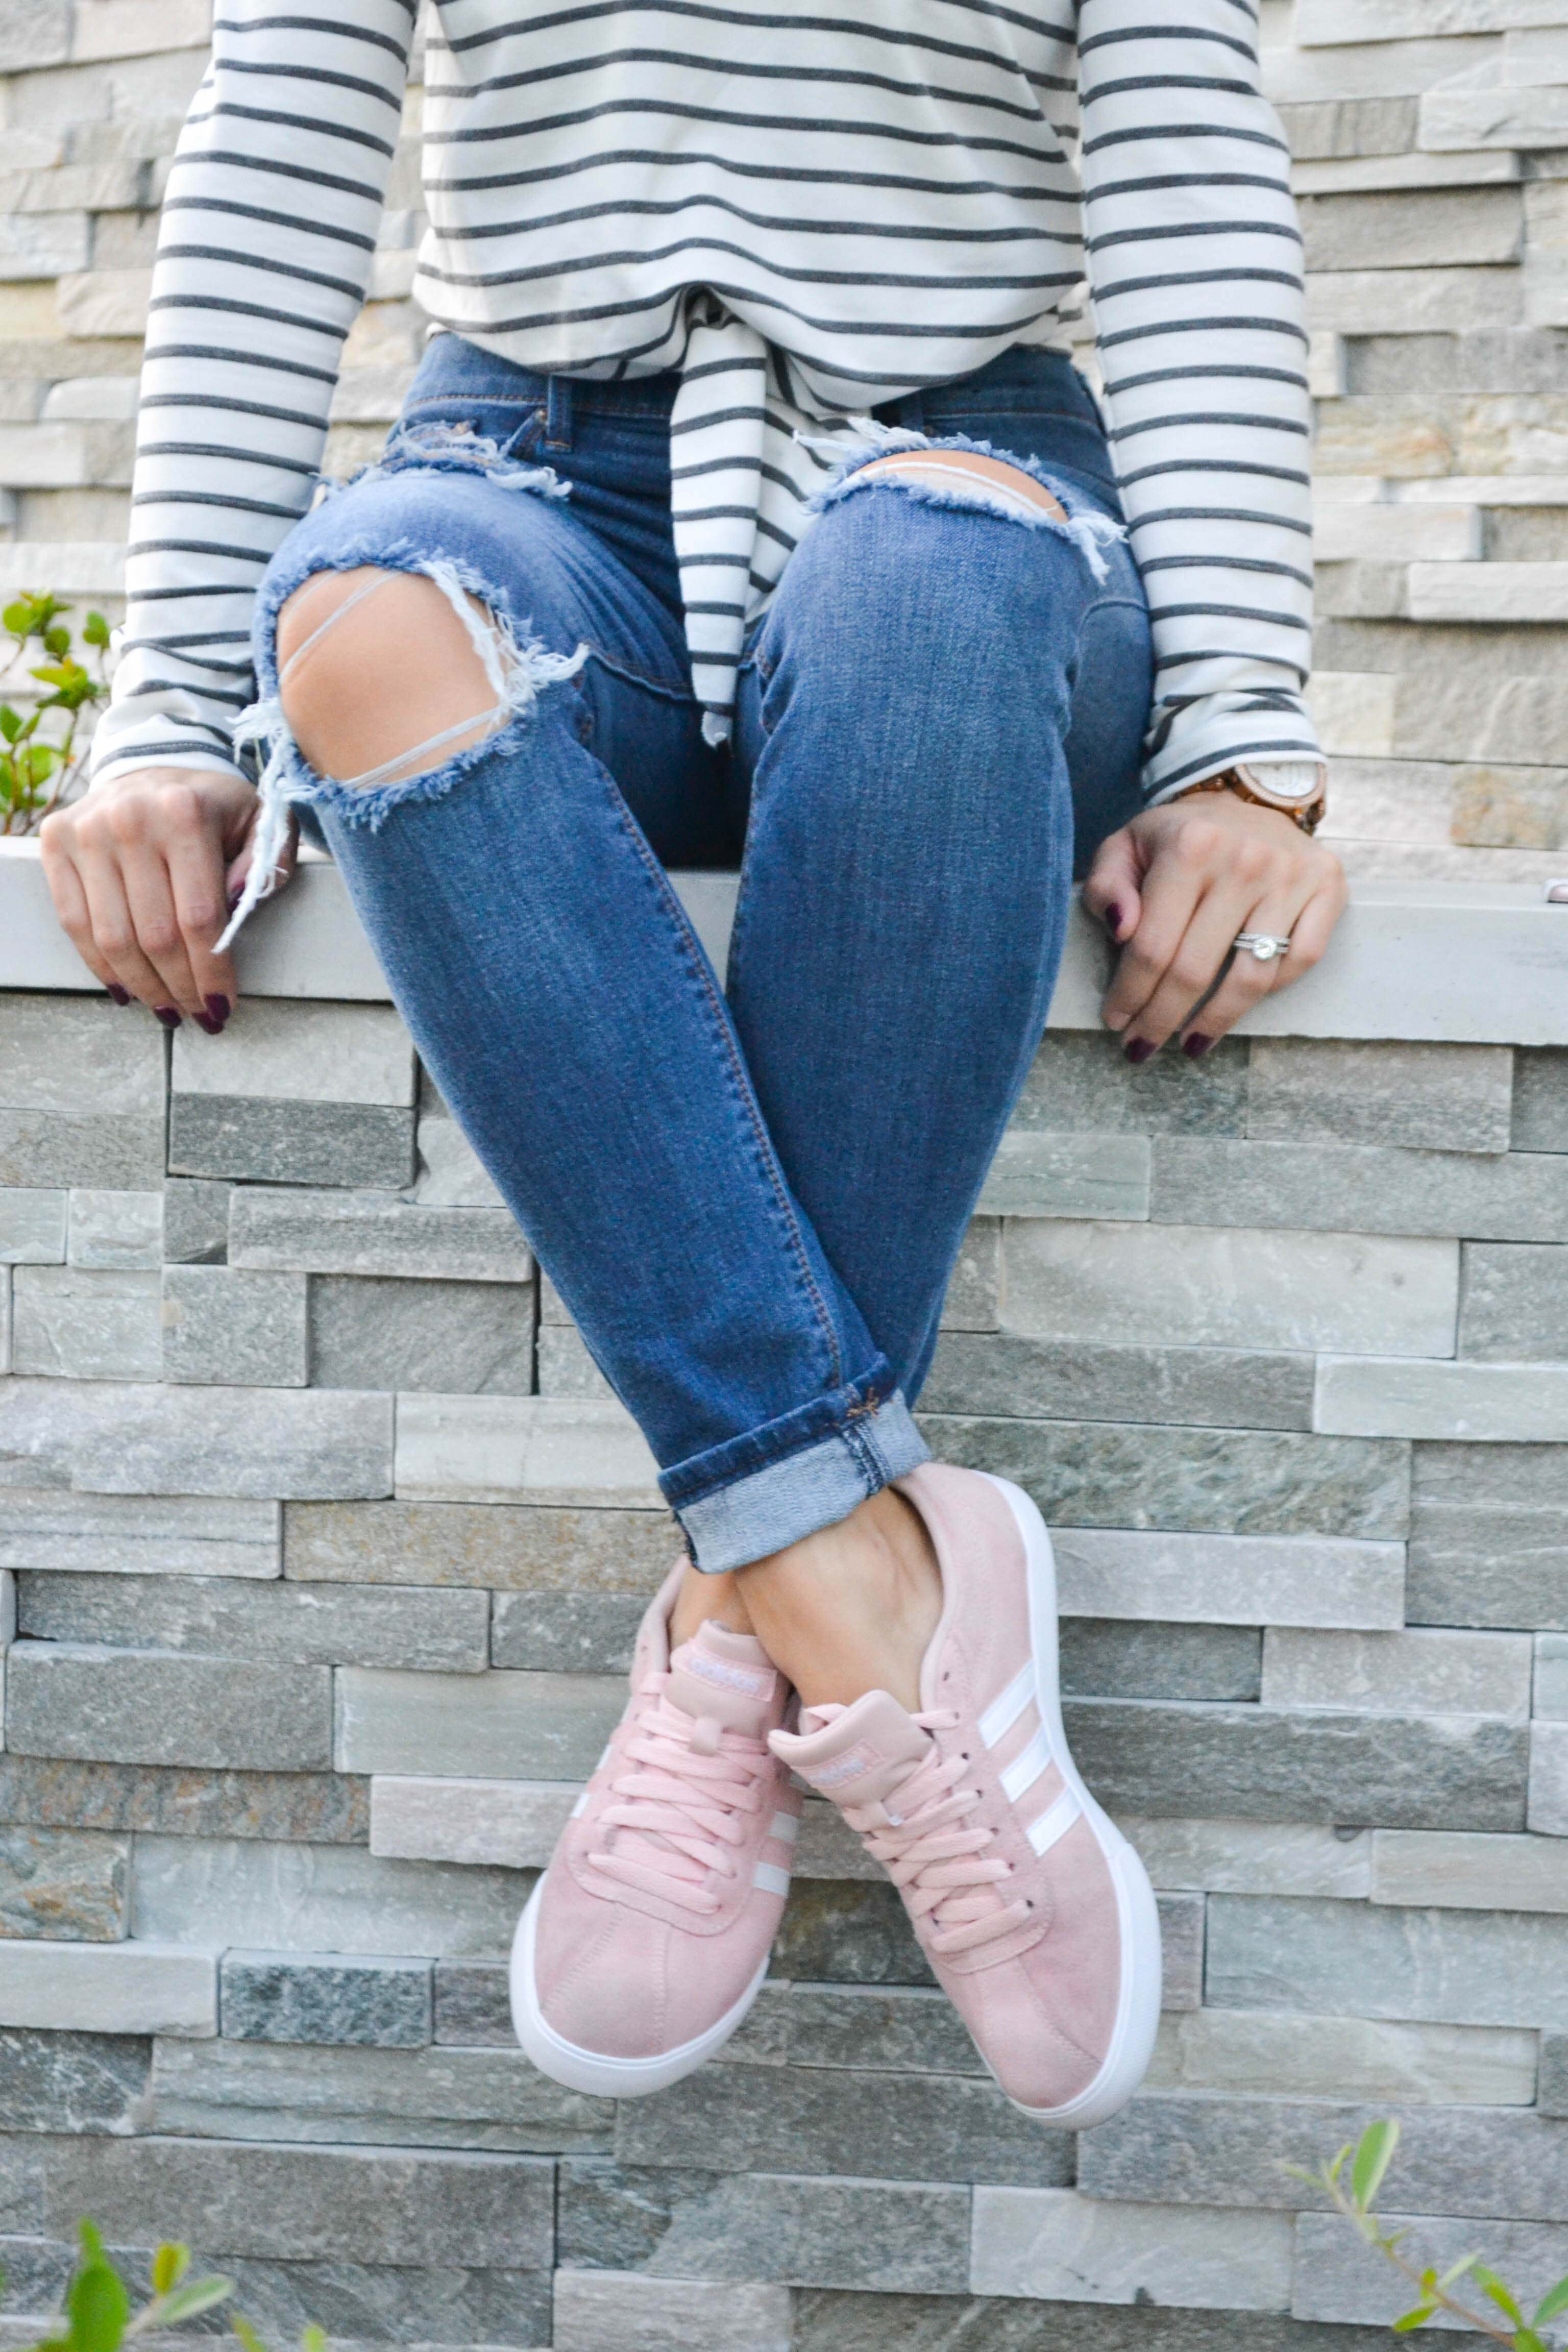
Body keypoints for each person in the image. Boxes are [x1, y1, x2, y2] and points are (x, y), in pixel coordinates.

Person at [41, 0, 1347, 2124]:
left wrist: (1239, 743)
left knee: (927, 587)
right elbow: (276, 151)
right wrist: (176, 713)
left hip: (971, 487)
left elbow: (1194, 180)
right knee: (367, 624)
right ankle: (859, 1583)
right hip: (516, 473)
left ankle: (743, 1612)